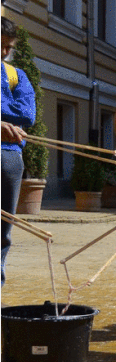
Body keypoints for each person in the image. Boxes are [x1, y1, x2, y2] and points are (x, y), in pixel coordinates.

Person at [1, 16, 36, 288]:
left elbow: (26, 115)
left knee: (3, 232)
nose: (4, 52)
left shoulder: (16, 75)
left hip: (8, 158)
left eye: (8, 47)